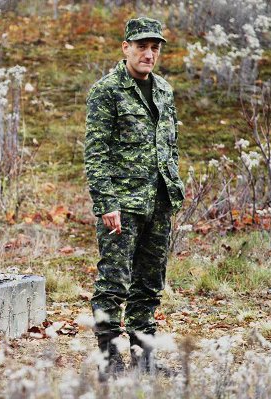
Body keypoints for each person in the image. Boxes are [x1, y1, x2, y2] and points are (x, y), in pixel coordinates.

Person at [84, 17, 185, 374]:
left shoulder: (164, 91)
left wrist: (173, 189)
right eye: (142, 46)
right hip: (122, 205)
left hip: (157, 203)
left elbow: (168, 146)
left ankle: (145, 360)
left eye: (154, 47)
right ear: (126, 47)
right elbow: (96, 153)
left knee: (148, 285)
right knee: (113, 283)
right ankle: (108, 361)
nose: (149, 53)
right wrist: (106, 203)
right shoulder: (107, 90)